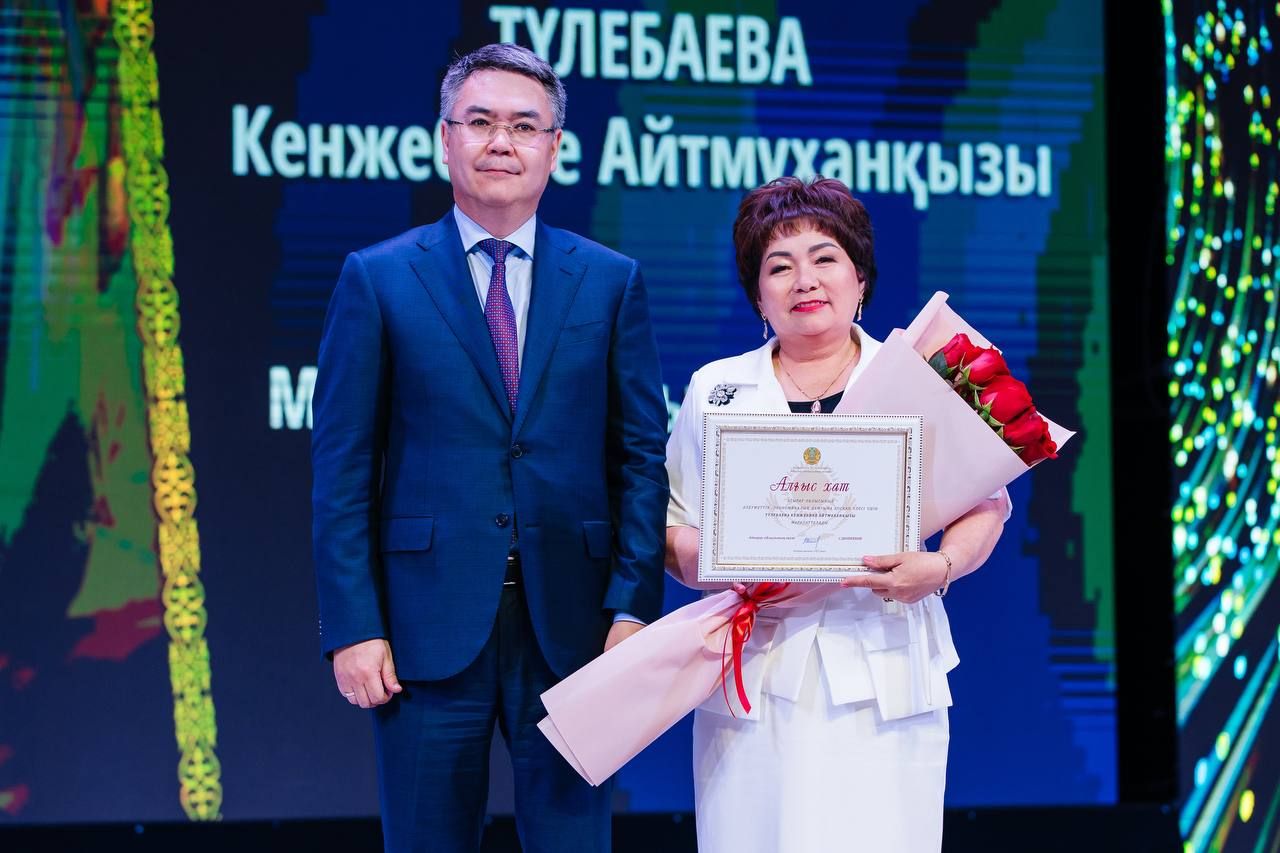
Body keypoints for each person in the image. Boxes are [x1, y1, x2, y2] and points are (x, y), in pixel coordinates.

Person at [311, 43, 669, 853]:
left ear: (555, 147)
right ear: (445, 139)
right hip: (423, 631)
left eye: (524, 125)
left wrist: (632, 606)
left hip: (576, 632)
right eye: (479, 122)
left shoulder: (611, 281)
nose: (501, 142)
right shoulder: (378, 278)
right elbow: (342, 470)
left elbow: (641, 459)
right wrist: (353, 624)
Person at [664, 176, 1010, 853]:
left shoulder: (918, 376)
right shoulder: (716, 388)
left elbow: (987, 502)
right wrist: (734, 561)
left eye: (824, 258)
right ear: (757, 294)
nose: (805, 280)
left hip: (886, 672)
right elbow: (674, 527)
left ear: (860, 278)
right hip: (753, 676)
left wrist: (939, 567)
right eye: (779, 266)